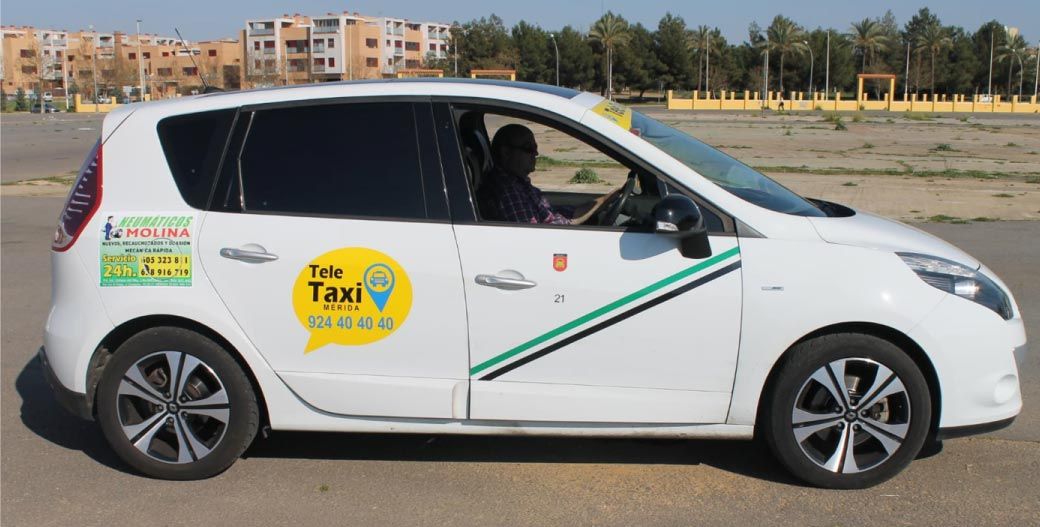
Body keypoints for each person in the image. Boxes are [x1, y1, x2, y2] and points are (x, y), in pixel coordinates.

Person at [479, 124, 620, 225]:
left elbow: (556, 214)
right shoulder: (507, 191)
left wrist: (606, 200)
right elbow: (533, 236)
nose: (536, 153)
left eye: (535, 148)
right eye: (529, 148)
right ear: (506, 153)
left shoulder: (518, 183)